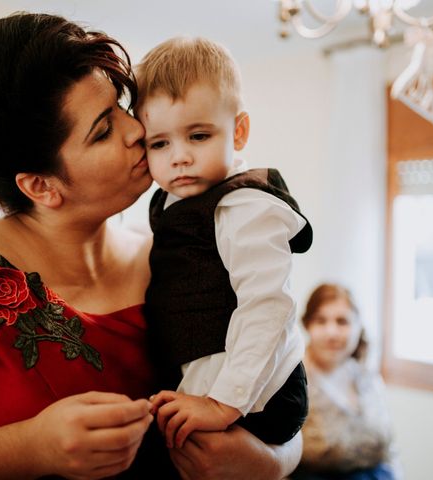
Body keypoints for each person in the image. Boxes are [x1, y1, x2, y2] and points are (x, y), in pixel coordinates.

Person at [0, 13, 303, 480]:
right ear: (41, 185)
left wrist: (267, 463)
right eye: (103, 130)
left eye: (121, 106)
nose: (136, 130)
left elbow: (280, 374)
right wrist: (27, 448)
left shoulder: (166, 254)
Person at [136, 36, 313, 450]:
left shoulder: (245, 206)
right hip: (207, 382)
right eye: (159, 143)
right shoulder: (171, 201)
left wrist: (223, 401)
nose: (178, 156)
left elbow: (267, 304)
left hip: (254, 397)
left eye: (198, 136)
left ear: (239, 131)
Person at [291, 283, 402, 480]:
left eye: (342, 322)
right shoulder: (292, 381)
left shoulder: (367, 376)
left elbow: (389, 450)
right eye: (320, 321)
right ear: (307, 325)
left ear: (358, 326)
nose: (332, 333)